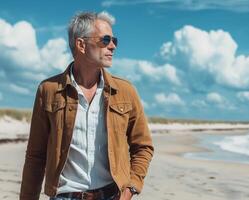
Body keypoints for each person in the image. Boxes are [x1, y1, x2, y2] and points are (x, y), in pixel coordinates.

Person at [20, 11, 154, 200]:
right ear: (81, 44)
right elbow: (36, 156)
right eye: (105, 40)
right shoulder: (48, 90)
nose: (113, 46)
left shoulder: (125, 91)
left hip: (112, 195)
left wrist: (130, 188)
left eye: (114, 40)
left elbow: (143, 146)